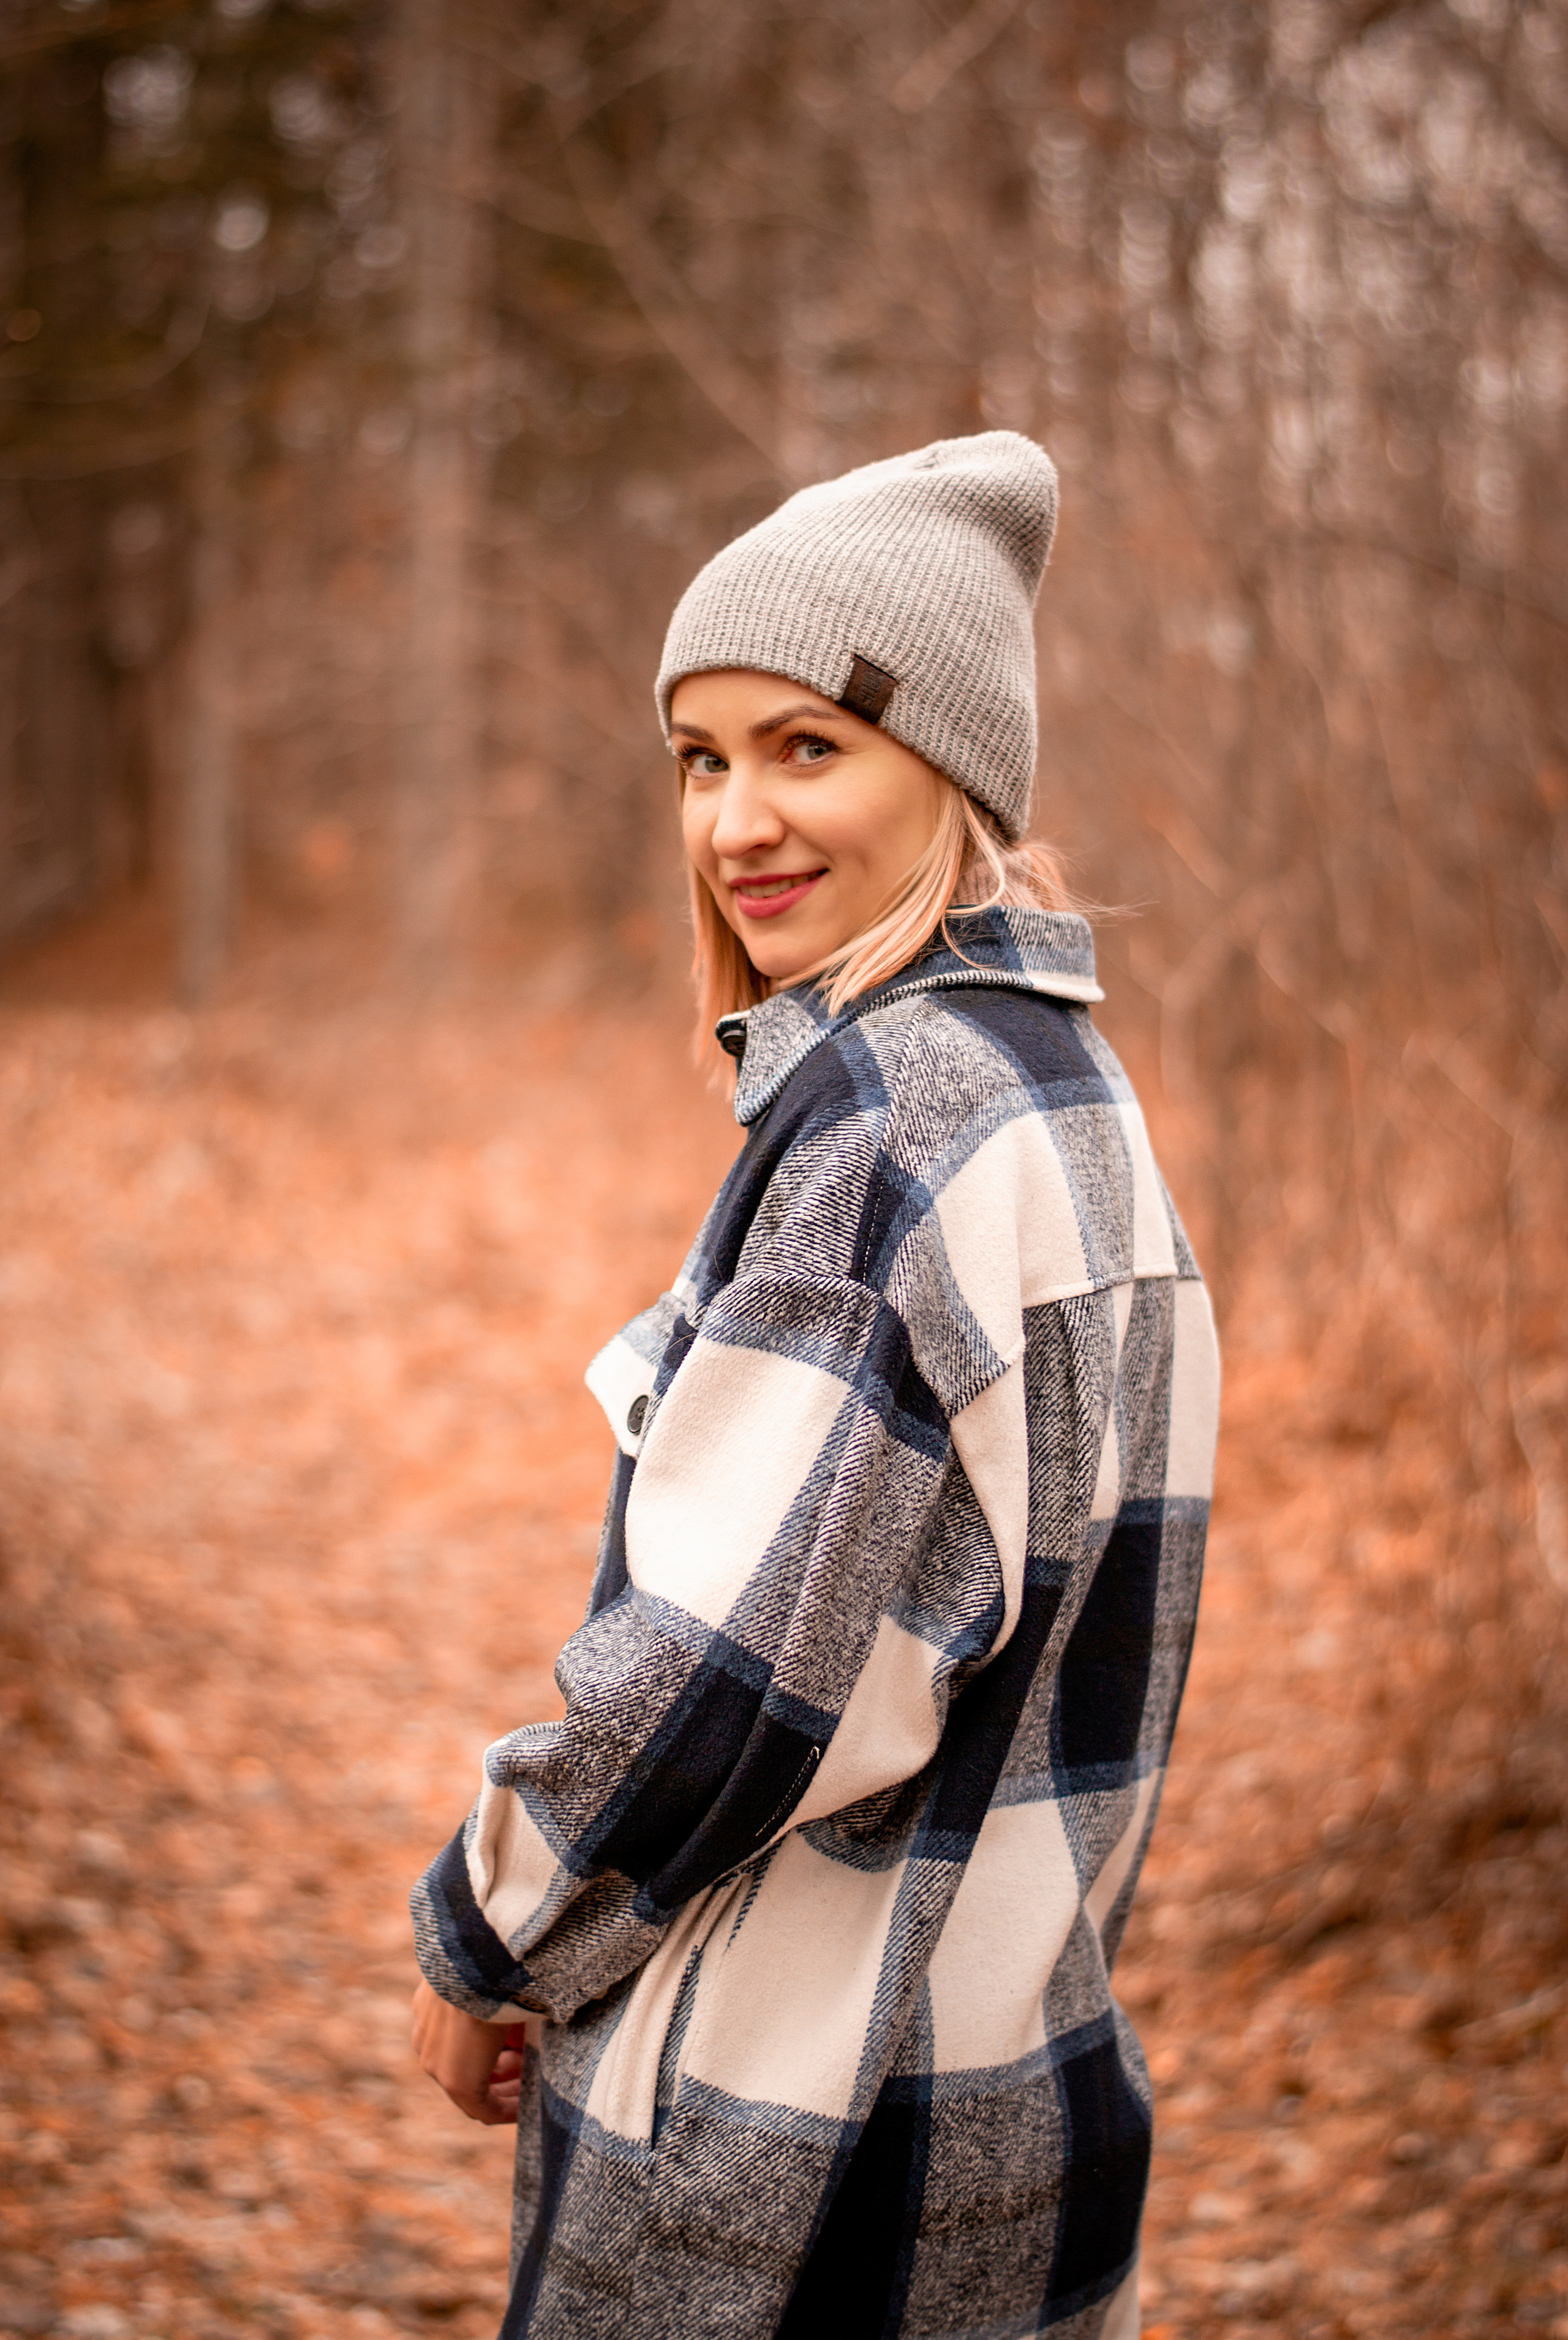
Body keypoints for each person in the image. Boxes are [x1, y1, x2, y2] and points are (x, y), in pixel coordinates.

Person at [409, 432, 1220, 2340]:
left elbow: (718, 1682)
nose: (735, 822)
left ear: (948, 766)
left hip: (790, 2169)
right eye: (704, 758)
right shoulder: (1074, 1105)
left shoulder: (886, 1128)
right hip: (1009, 2121)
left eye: (807, 748)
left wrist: (491, 1927)